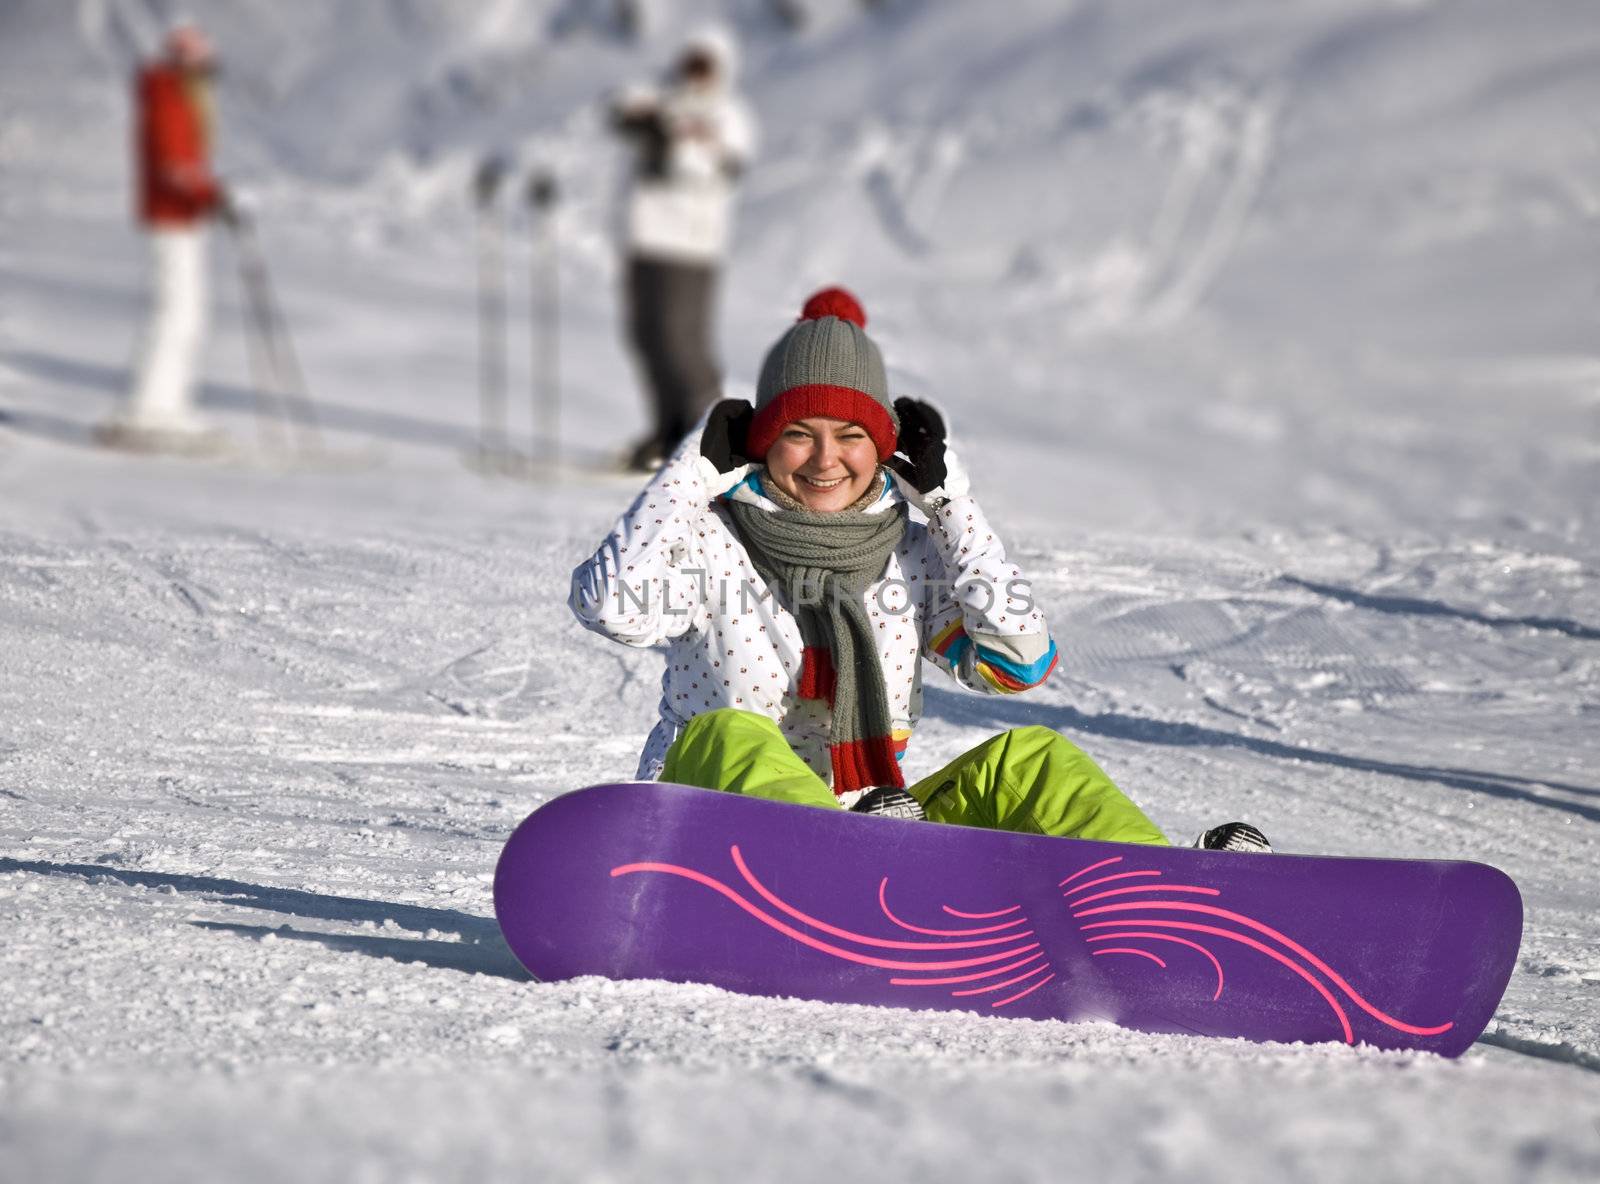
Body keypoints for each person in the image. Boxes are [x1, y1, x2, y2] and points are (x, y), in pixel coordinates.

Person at [570, 286, 1270, 851]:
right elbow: (609, 606)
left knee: (1029, 761)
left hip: (874, 829)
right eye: (796, 434)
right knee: (731, 732)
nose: (824, 461)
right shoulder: (710, 542)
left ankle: (1166, 897)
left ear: (886, 452)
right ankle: (846, 860)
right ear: (758, 443)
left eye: (850, 437)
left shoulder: (908, 559)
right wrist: (688, 477)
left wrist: (950, 505)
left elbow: (1017, 663)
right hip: (698, 840)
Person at [610, 27, 756, 472]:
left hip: (691, 245)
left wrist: (670, 145)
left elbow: (717, 168)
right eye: (690, 60)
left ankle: (707, 439)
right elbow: (622, 106)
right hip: (646, 238)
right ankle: (667, 431)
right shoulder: (667, 100)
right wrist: (644, 119)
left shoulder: (729, 115)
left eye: (704, 63)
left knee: (682, 340)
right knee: (646, 336)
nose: (695, 71)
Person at [100, 21, 230, 453]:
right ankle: (150, 409)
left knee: (187, 314)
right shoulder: (169, 101)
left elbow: (184, 166)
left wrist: (212, 196)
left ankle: (168, 404)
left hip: (182, 219)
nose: (207, 80)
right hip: (172, 219)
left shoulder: (173, 99)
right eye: (204, 70)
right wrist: (213, 195)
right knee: (177, 313)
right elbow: (174, 168)